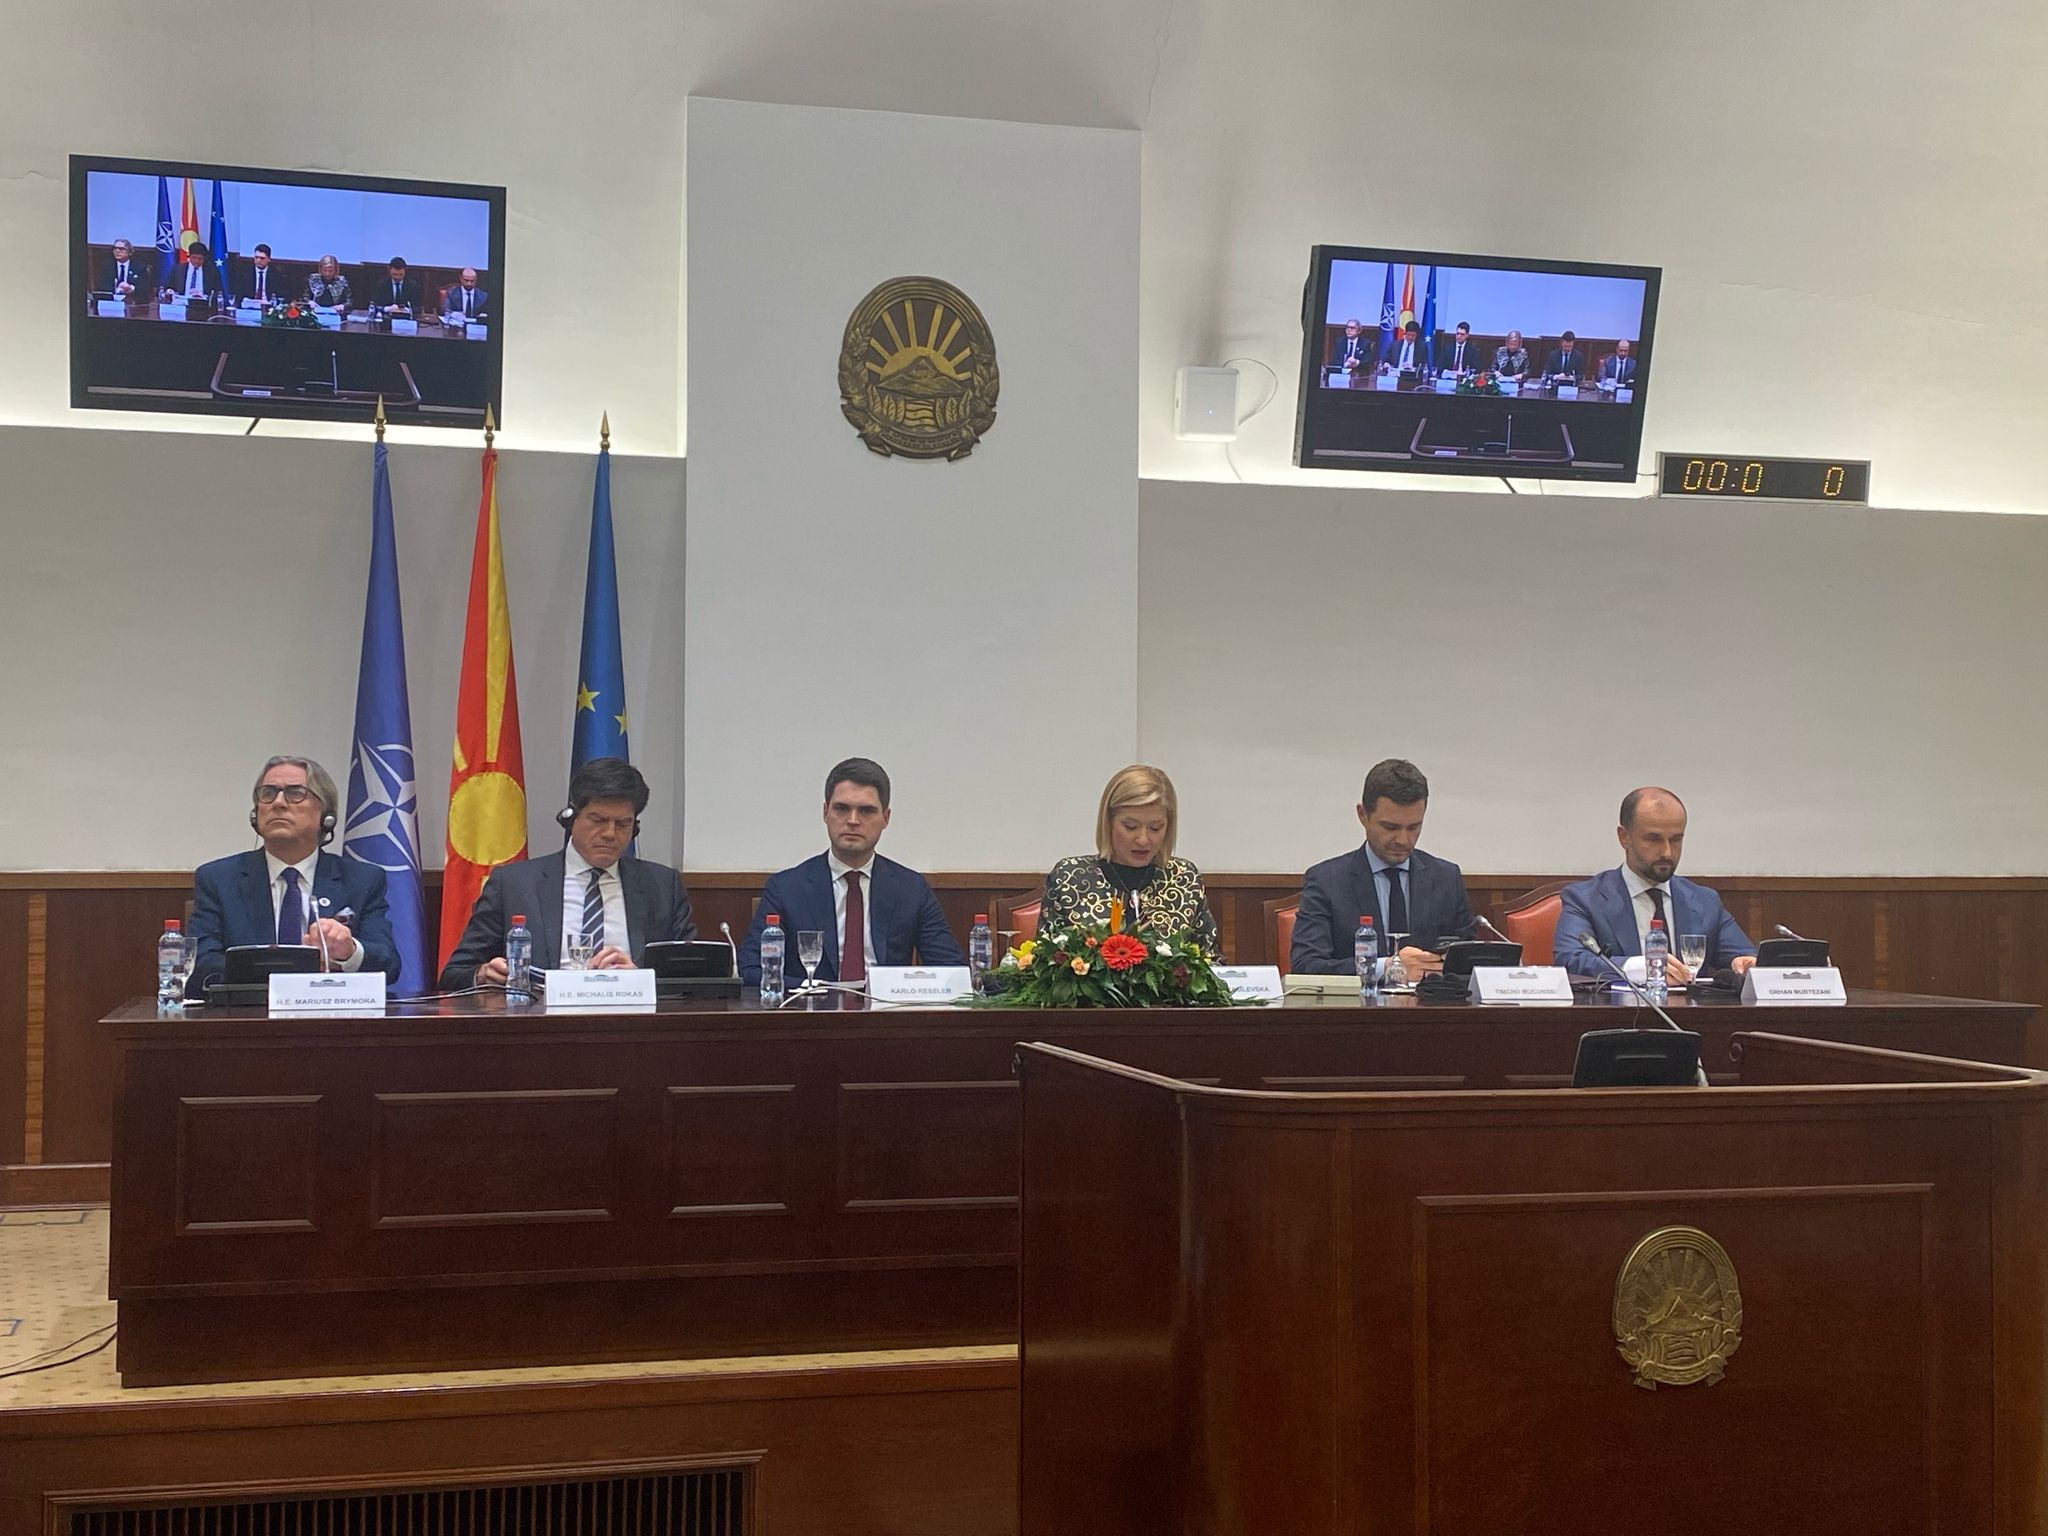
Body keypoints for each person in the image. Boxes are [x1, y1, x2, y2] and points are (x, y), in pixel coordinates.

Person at [440, 757, 697, 988]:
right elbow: (454, 974)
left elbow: (695, 976)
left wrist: (640, 977)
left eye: (622, 824)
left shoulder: (662, 885)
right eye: (598, 820)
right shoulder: (513, 884)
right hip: (541, 1018)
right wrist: (483, 974)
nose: (610, 833)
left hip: (632, 1019)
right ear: (571, 818)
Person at [737, 758, 964, 988]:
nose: (853, 821)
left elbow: (951, 971)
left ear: (886, 818)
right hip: (811, 1006)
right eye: (842, 808)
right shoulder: (786, 888)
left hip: (884, 1008)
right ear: (825, 812)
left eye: (866, 811)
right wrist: (817, 988)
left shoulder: (912, 889)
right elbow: (752, 970)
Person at [185, 756, 401, 996]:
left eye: (295, 793)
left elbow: (388, 964)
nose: (278, 803)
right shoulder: (219, 879)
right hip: (247, 1015)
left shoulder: (361, 879)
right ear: (255, 814)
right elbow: (200, 966)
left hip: (331, 1014)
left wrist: (349, 951)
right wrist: (289, 970)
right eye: (268, 793)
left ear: (326, 815)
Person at [1289, 758, 1475, 976]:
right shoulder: (1327, 882)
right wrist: (1385, 968)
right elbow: (1306, 966)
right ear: (1363, 815)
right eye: (1390, 827)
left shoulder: (1446, 879)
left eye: (1413, 827)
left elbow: (1469, 963)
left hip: (1428, 997)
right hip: (1358, 999)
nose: (1403, 840)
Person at [1553, 787, 1758, 983]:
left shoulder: (1705, 901)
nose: (1667, 852)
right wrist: (1642, 968)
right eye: (1653, 839)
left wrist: (1743, 962)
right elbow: (1570, 959)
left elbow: (1743, 955)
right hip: (1618, 1008)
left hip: (1690, 1008)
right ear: (1624, 837)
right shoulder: (1586, 899)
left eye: (1676, 840)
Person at [1037, 765, 1219, 953]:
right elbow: (1044, 960)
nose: (1143, 840)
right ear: (1108, 823)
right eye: (1130, 826)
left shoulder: (1183, 877)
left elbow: (1211, 961)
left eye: (1155, 828)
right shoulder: (1069, 878)